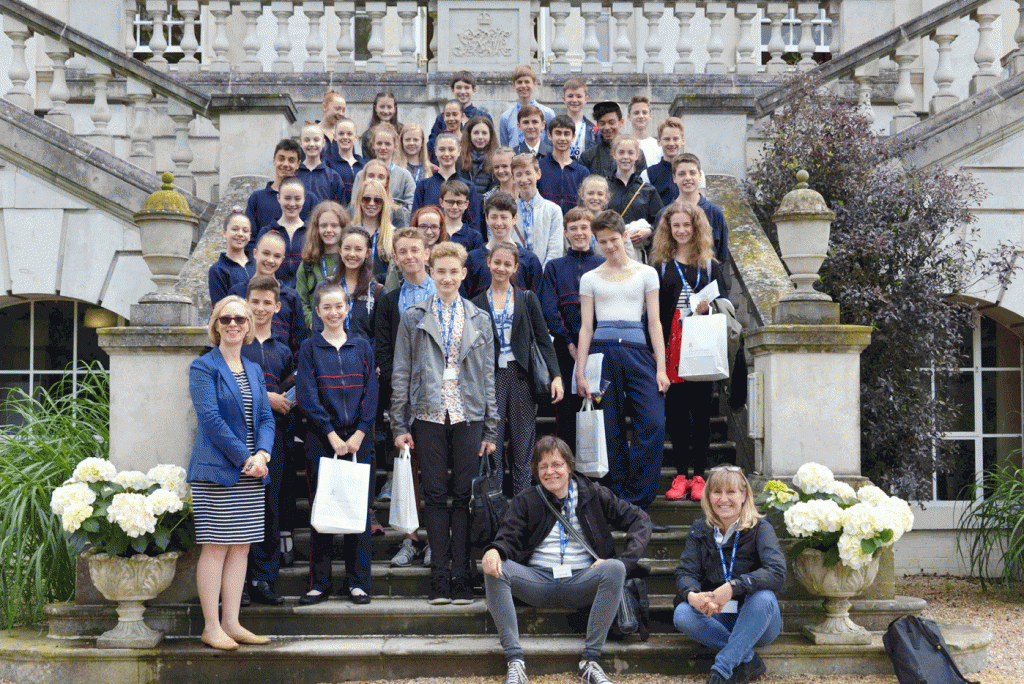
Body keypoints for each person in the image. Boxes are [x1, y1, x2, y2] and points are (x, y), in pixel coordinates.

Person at [483, 436, 651, 684]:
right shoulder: (527, 499)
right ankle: (515, 661)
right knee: (495, 568)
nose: (550, 472)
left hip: (583, 579)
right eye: (543, 467)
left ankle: (590, 661)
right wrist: (495, 550)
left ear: (570, 467)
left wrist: (626, 561)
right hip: (537, 579)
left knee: (614, 568)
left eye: (557, 465)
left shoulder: (593, 494)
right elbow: (507, 537)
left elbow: (641, 520)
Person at [391, 241, 498, 605]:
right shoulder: (414, 316)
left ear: (464, 274)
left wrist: (491, 428)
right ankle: (439, 577)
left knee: (465, 497)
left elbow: (487, 375)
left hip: (468, 412)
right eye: (441, 271)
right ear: (431, 273)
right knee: (435, 495)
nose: (448, 277)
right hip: (428, 412)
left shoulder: (479, 318)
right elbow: (402, 370)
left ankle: (463, 575)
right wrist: (399, 425)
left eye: (455, 271)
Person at [187, 295, 274, 650]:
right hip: (218, 471)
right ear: (216, 325)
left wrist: (264, 453)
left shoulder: (253, 368)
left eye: (240, 318)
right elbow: (211, 420)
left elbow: (266, 416)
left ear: (249, 325)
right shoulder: (202, 367)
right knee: (216, 547)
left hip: (252, 470)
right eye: (226, 319)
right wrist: (247, 458)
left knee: (241, 548)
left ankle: (232, 623)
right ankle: (211, 626)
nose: (234, 324)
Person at [575, 211, 669, 528]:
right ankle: (618, 502)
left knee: (653, 422)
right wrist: (579, 372)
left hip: (639, 351)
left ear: (624, 237)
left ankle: (639, 501)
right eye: (602, 242)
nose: (609, 247)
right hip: (602, 353)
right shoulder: (590, 278)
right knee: (609, 427)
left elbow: (655, 322)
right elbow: (586, 328)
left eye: (613, 240)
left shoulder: (646, 273)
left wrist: (662, 367)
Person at [296, 283, 378, 605]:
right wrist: (330, 432)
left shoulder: (362, 346)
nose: (333, 313)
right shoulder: (309, 348)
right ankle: (320, 582)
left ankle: (358, 582)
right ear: (317, 312)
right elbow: (306, 394)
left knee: (358, 510)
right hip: (322, 439)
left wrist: (359, 432)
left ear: (348, 309)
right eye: (326, 307)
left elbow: (371, 392)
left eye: (338, 306)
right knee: (323, 509)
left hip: (359, 440)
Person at [673, 466, 785, 684]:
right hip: (717, 616)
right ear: (708, 497)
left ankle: (721, 670)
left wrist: (733, 587)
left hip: (757, 619)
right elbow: (686, 572)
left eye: (731, 492)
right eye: (717, 492)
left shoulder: (760, 527)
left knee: (764, 598)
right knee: (682, 613)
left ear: (744, 495)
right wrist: (693, 595)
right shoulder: (699, 529)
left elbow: (777, 571)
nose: (723, 499)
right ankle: (748, 659)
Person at [652, 202, 730, 501]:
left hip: (702, 344)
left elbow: (724, 304)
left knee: (701, 415)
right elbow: (656, 312)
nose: (682, 230)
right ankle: (680, 476)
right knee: (676, 415)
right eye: (676, 226)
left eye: (687, 225)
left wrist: (707, 307)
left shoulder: (710, 265)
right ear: (669, 230)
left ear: (696, 228)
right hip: (673, 348)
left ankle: (700, 475)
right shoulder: (660, 265)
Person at [472, 240, 563, 494]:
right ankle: (496, 505)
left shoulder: (526, 297)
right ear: (488, 262)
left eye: (507, 264)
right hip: (491, 379)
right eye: (497, 262)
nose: (501, 268)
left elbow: (543, 339)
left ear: (515, 268)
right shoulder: (476, 302)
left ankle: (524, 504)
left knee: (523, 444)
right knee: (493, 443)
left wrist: (556, 376)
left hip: (521, 376)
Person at [374, 227, 435, 567]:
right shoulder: (389, 300)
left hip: (439, 394)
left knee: (437, 469)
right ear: (395, 259)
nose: (410, 256)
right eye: (403, 252)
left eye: (416, 250)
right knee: (407, 468)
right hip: (403, 394)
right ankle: (411, 539)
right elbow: (383, 346)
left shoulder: (443, 290)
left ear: (427, 253)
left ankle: (436, 540)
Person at [240, 276, 295, 606]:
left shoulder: (283, 350)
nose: (260, 308)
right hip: (239, 437)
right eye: (254, 302)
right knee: (241, 508)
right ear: (246, 303)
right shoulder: (236, 344)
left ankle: (264, 578)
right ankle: (240, 582)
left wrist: (285, 399)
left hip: (274, 438)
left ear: (276, 307)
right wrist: (267, 398)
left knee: (268, 509)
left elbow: (288, 394)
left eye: (266, 303)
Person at [540, 207, 604, 453]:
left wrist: (589, 345)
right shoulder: (555, 267)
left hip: (597, 350)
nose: (579, 233)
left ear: (592, 232)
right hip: (564, 351)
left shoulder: (602, 265)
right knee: (566, 413)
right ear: (566, 233)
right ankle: (566, 468)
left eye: (584, 227)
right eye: (573, 228)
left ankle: (595, 473)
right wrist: (569, 343)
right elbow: (549, 307)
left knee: (596, 408)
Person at [228, 231, 308, 364]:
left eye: (276, 256)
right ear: (255, 253)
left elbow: (298, 343)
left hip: (281, 370)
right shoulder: (237, 292)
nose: (270, 260)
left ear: (282, 259)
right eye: (265, 253)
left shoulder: (291, 297)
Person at [653, 153, 729, 266]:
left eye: (692, 173)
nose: (687, 178)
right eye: (682, 174)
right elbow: (659, 252)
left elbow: (722, 255)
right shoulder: (663, 214)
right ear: (674, 178)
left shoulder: (715, 212)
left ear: (700, 176)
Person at [464, 192, 543, 297]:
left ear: (514, 219)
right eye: (494, 217)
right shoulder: (473, 259)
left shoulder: (530, 260)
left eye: (504, 217)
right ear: (487, 219)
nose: (499, 223)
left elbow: (536, 303)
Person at [245, 139, 313, 251]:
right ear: (274, 160)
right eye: (281, 159)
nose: (285, 164)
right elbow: (249, 238)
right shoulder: (257, 199)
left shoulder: (309, 199)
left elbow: (313, 235)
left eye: (291, 160)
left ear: (298, 164)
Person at [411, 132, 483, 236]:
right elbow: (414, 221)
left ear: (459, 151)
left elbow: (474, 224)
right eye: (442, 149)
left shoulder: (469, 187)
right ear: (435, 151)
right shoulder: (423, 186)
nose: (446, 154)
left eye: (451, 149)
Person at [606, 134, 662, 262]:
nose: (626, 157)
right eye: (621, 152)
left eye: (630, 153)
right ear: (614, 155)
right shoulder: (604, 188)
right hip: (610, 251)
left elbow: (660, 221)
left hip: (638, 254)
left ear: (637, 155)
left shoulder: (647, 190)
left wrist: (649, 231)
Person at [296, 201, 348, 333]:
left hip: (347, 333)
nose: (328, 230)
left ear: (343, 228)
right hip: (316, 335)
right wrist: (312, 322)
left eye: (334, 225)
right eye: (323, 225)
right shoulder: (307, 264)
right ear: (316, 229)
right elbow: (301, 301)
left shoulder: (350, 261)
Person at [511, 153, 564, 267]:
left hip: (544, 275)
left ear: (538, 174)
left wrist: (543, 274)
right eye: (519, 174)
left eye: (528, 173)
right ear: (513, 178)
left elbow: (555, 249)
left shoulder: (553, 210)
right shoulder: (509, 210)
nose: (524, 179)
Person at [253, 176, 307, 289]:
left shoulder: (311, 232)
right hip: (274, 295)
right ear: (278, 198)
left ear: (304, 199)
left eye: (297, 199)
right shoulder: (266, 232)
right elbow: (258, 267)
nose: (292, 204)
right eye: (287, 198)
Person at [351, 125, 416, 215]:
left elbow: (411, 207)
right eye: (379, 143)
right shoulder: (362, 174)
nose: (383, 147)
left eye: (387, 144)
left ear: (395, 146)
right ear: (373, 145)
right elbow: (354, 205)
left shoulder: (405, 176)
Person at [428, 70, 492, 157]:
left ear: (474, 90)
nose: (462, 92)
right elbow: (432, 146)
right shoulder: (442, 118)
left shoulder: (483, 117)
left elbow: (490, 145)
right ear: (452, 90)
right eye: (458, 87)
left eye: (466, 88)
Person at [537, 115, 590, 215]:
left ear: (573, 136)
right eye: (558, 133)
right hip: (545, 225)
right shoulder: (539, 167)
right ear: (549, 135)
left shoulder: (582, 172)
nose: (562, 138)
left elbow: (585, 205)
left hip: (573, 226)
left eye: (567, 134)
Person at [580, 102, 646, 179]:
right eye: (602, 123)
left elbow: (642, 185)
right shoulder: (588, 157)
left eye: (611, 122)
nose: (607, 127)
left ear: (621, 122)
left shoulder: (636, 155)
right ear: (597, 125)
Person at [350, 176, 396, 283]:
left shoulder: (393, 234)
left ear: (384, 203)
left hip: (382, 293)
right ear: (359, 201)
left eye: (377, 200)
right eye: (366, 199)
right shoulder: (350, 231)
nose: (371, 204)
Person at [499, 65, 556, 148]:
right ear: (514, 85)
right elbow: (505, 146)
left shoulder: (547, 114)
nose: (523, 85)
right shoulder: (506, 117)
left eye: (527, 82)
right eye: (519, 82)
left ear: (534, 83)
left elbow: (551, 144)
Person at [208, 210, 256, 306]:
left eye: (245, 231)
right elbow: (220, 307)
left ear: (250, 236)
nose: (240, 234)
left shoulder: (257, 264)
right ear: (224, 233)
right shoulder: (217, 270)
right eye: (235, 229)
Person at [296, 123, 345, 206]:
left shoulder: (333, 177)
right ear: (300, 143)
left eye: (316, 140)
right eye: (307, 140)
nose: (311, 144)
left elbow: (341, 208)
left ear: (323, 143)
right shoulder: (294, 174)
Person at [643, 117, 685, 206]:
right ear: (659, 141)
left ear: (682, 140)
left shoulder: (694, 172)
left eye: (675, 139)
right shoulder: (648, 174)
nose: (671, 143)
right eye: (667, 139)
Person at [326, 118, 364, 206]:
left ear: (355, 137)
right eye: (341, 133)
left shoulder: (363, 165)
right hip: (338, 212)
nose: (345, 137)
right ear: (334, 136)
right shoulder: (328, 164)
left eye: (349, 134)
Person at [440, 179, 485, 253]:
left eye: (459, 202)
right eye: (450, 202)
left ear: (466, 204)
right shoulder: (435, 231)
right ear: (441, 202)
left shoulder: (474, 236)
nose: (455, 207)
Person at [460, 115, 499, 197]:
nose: (480, 137)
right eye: (476, 133)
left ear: (490, 135)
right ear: (469, 135)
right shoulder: (460, 159)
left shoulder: (496, 160)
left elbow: (495, 189)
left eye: (484, 133)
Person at [561, 78, 598, 161]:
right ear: (564, 99)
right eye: (570, 96)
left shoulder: (593, 130)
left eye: (579, 96)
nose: (574, 100)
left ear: (585, 99)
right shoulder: (555, 127)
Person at [360, 91, 401, 159]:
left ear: (395, 109)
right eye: (382, 107)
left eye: (389, 107)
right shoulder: (367, 136)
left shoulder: (402, 132)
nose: (385, 111)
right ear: (375, 108)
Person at [626, 96, 661, 168]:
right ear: (629, 117)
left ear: (650, 116)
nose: (641, 116)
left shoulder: (659, 146)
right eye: (636, 113)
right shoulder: (623, 145)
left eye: (644, 112)